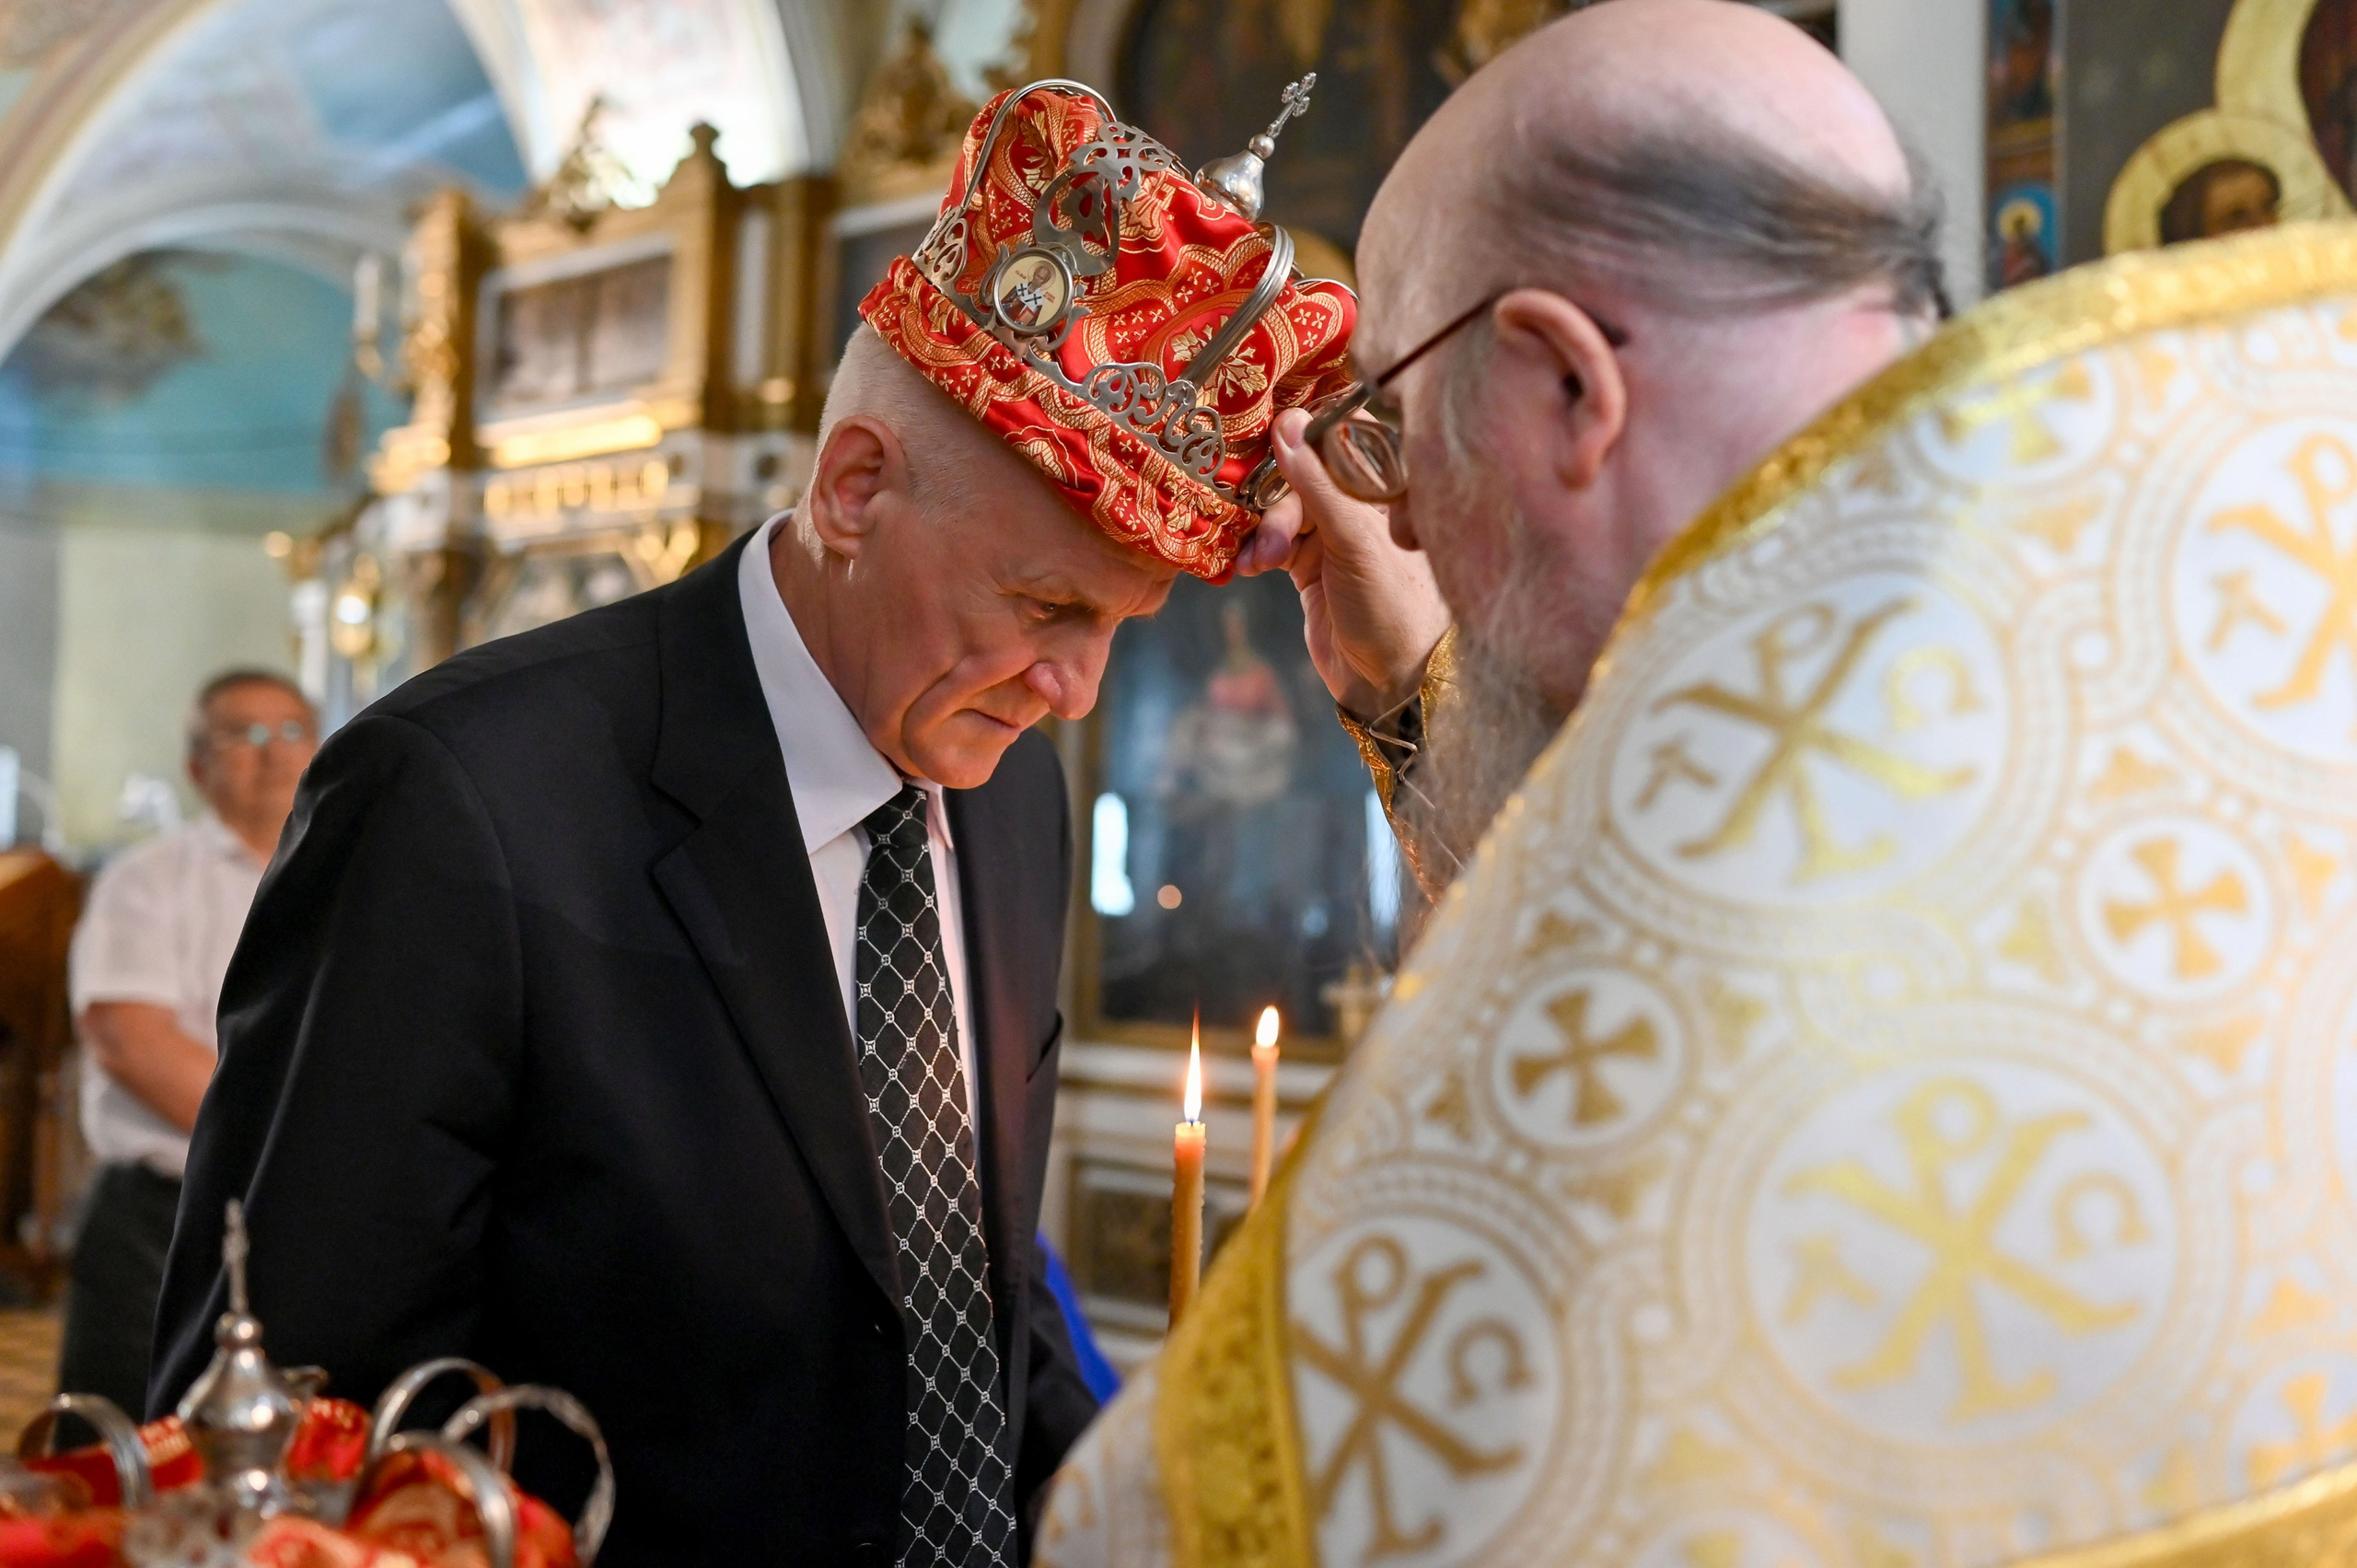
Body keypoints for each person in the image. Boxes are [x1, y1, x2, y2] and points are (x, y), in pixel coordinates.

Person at [1038, 5, 2357, 1566]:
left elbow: (1182, 1518)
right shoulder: (2226, 593)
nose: (1399, 522)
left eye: (1390, 421)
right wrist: (1417, 712)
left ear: (1564, 387)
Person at [150, 81, 1353, 1567]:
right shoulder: (462, 801)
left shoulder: (1009, 784)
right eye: (1046, 605)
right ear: (855, 487)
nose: (1075, 687)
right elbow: (291, 1408)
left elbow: (957, 1287)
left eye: (1119, 626)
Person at [62, 669, 315, 1415]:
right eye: (244, 735)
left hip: (300, 1210)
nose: (271, 754)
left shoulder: (354, 875)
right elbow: (128, 1037)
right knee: (130, 1453)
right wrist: (290, 1138)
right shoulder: (147, 879)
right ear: (197, 765)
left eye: (291, 731)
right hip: (166, 1216)